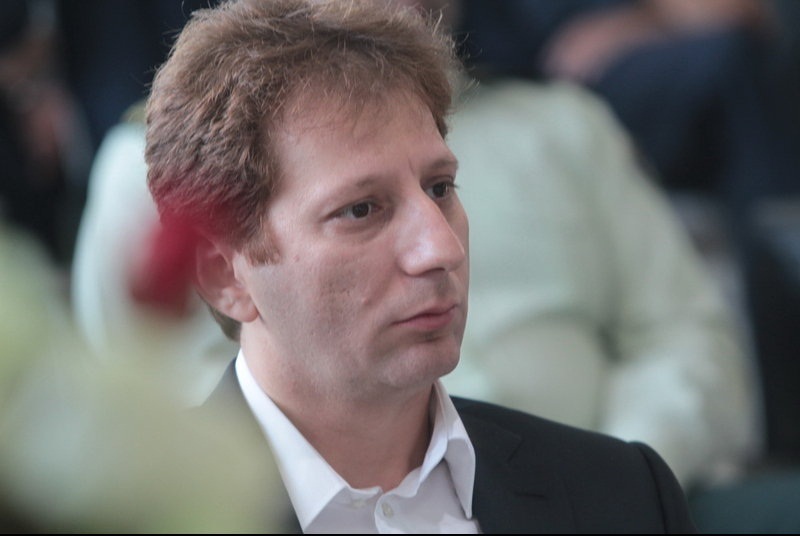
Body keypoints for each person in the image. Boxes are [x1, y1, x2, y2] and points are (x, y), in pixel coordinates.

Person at [142, 0, 696, 532]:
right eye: (361, 210)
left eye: (440, 188)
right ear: (225, 275)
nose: (442, 248)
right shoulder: (131, 516)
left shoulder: (623, 492)